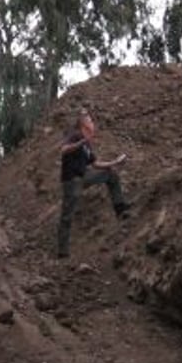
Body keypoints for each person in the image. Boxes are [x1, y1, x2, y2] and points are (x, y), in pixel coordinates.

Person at [56, 109, 130, 259]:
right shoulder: (75, 135)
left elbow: (95, 164)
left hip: (83, 177)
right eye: (90, 121)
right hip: (71, 181)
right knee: (67, 216)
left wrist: (115, 162)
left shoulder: (87, 145)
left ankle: (120, 208)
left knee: (110, 174)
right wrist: (82, 141)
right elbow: (63, 150)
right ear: (83, 125)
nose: (93, 123)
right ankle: (62, 251)